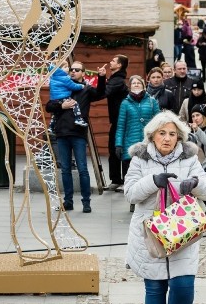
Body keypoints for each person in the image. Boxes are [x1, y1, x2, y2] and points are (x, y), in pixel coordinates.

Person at [123, 111, 206, 304]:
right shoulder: (140, 159)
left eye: (172, 134)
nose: (167, 138)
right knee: (155, 290)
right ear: (152, 136)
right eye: (162, 133)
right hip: (150, 236)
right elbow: (130, 194)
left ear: (178, 137)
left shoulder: (190, 158)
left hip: (182, 232)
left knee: (183, 288)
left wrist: (195, 183)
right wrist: (153, 181)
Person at [47, 61, 107, 212]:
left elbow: (100, 93)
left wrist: (101, 77)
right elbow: (48, 106)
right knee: (65, 169)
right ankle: (68, 201)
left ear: (83, 73)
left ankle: (86, 202)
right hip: (62, 132)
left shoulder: (85, 89)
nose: (73, 71)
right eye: (71, 69)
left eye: (76, 70)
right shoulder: (61, 84)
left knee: (82, 169)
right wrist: (62, 106)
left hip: (78, 134)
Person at [115, 75, 160, 211]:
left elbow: (158, 122)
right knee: (133, 174)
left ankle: (147, 199)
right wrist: (118, 144)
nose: (135, 85)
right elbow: (121, 125)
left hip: (148, 143)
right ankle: (133, 200)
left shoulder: (152, 102)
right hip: (131, 143)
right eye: (133, 83)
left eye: (138, 83)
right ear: (130, 86)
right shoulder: (125, 103)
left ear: (143, 85)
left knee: (147, 172)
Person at [105, 54, 129, 191]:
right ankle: (116, 179)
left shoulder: (118, 80)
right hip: (116, 121)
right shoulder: (115, 79)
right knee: (113, 150)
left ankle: (122, 180)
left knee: (120, 150)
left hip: (121, 122)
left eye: (113, 60)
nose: (110, 62)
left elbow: (105, 92)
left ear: (119, 65)